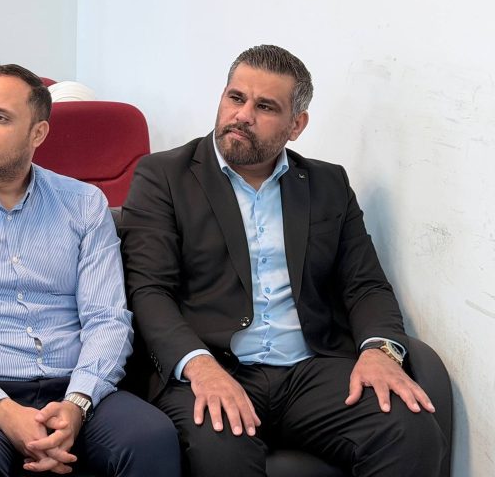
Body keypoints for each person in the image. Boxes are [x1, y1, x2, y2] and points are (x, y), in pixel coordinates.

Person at [120, 44, 445, 476]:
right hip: (213, 365)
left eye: (265, 106)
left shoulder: (328, 183)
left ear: (296, 125)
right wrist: (199, 366)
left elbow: (364, 284)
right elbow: (148, 289)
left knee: (411, 431)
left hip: (311, 370)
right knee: (222, 454)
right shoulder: (164, 175)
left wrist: (380, 351)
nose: (242, 115)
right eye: (236, 98)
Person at [0, 64, 181, 477]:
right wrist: (1, 408)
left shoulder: (84, 204)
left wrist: (77, 404)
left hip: (75, 384)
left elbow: (107, 320)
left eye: (1, 117)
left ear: (38, 133)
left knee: (152, 437)